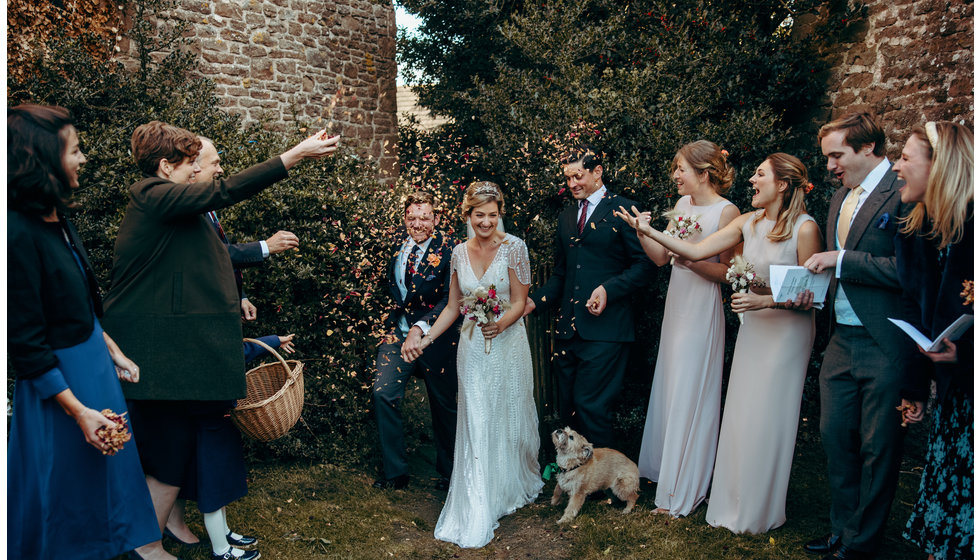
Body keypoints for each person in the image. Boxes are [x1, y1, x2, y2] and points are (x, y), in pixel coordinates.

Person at [101, 120, 339, 560]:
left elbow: (213, 261)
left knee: (171, 454)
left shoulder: (175, 209)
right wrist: (294, 156)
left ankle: (149, 542)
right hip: (152, 353)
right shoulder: (151, 196)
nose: (198, 172)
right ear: (165, 166)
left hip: (174, 354)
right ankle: (143, 545)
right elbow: (225, 191)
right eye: (190, 163)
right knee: (164, 453)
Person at [617, 152, 822, 533]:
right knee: (742, 415)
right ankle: (732, 500)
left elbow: (813, 291)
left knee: (768, 418)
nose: (752, 181)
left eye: (760, 175)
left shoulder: (806, 228)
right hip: (755, 328)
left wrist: (762, 300)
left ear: (782, 184)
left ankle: (760, 508)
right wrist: (644, 230)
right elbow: (694, 251)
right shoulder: (749, 221)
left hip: (787, 334)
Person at [7, 104, 161, 559]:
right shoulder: (16, 234)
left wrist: (110, 350)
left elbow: (77, 306)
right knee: (67, 494)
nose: (83, 159)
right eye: (75, 150)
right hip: (61, 387)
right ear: (43, 161)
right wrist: (78, 412)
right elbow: (26, 345)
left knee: (104, 486)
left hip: (94, 367)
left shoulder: (59, 219)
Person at [161, 136, 300, 553]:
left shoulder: (202, 207)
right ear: (193, 168)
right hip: (199, 352)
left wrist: (237, 297)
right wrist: (266, 247)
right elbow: (217, 255)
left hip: (216, 335)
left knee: (213, 445)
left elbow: (211, 266)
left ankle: (219, 534)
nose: (220, 168)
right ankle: (221, 546)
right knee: (211, 448)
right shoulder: (184, 209)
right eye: (215, 162)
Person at [801, 112, 920, 560]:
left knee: (877, 448)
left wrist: (842, 260)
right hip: (841, 339)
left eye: (837, 156)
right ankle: (841, 530)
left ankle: (862, 543)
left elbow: (909, 272)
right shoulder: (837, 199)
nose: (830, 166)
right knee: (835, 439)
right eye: (828, 157)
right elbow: (832, 270)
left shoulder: (904, 194)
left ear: (868, 148)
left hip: (885, 342)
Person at [402, 181, 543, 548]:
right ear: (468, 215)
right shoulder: (459, 254)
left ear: (500, 214)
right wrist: (427, 338)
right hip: (470, 347)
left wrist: (501, 323)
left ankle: (506, 486)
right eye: (479, 215)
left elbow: (519, 300)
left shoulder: (515, 249)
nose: (486, 222)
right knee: (476, 419)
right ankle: (478, 498)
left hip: (506, 344)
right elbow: (453, 307)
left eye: (493, 215)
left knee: (505, 414)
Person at [633, 141, 739, 517]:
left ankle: (685, 485)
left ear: (703, 173)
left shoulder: (728, 213)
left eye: (680, 168)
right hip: (677, 307)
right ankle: (667, 472)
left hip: (702, 308)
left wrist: (691, 262)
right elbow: (662, 258)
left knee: (692, 388)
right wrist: (643, 231)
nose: (675, 175)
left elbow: (729, 273)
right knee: (672, 385)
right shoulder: (681, 207)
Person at [526, 146, 655, 450]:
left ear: (598, 172)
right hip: (569, 331)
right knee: (570, 405)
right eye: (568, 177)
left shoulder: (624, 209)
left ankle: (601, 480)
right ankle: (576, 475)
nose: (572, 184)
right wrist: (534, 302)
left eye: (578, 175)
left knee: (592, 406)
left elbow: (645, 267)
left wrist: (609, 289)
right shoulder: (567, 217)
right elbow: (561, 274)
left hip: (607, 331)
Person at [892, 121, 973, 560]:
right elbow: (916, 313)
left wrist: (969, 353)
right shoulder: (922, 232)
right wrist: (914, 388)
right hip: (952, 399)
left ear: (940, 166)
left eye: (905, 157)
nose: (896, 167)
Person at [372, 190, 459, 491]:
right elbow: (391, 291)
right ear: (405, 219)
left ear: (436, 218)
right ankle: (396, 474)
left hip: (436, 338)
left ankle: (449, 475)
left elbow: (451, 299)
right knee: (383, 393)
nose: (418, 223)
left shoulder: (451, 250)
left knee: (444, 406)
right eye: (412, 217)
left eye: (424, 217)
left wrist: (421, 328)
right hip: (397, 336)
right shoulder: (395, 247)